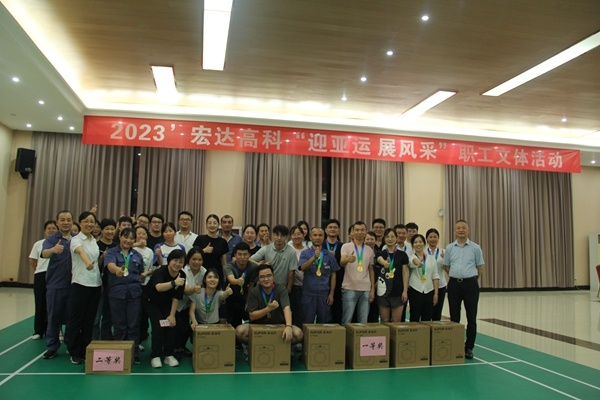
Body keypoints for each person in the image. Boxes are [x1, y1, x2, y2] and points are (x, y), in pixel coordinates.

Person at [443, 220, 485, 360]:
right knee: (454, 317)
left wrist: (471, 279)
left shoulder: (475, 248)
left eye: (463, 228)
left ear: (468, 230)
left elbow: (480, 267)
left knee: (471, 317)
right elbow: (446, 266)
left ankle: (469, 347)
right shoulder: (450, 248)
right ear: (455, 231)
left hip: (470, 285)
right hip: (454, 285)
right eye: (458, 228)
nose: (461, 230)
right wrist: (456, 276)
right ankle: (456, 345)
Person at [65, 212, 101, 365]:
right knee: (76, 320)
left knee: (89, 320)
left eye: (92, 221)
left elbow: (96, 260)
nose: (89, 224)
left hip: (95, 284)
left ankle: (86, 349)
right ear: (80, 223)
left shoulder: (94, 240)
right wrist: (87, 263)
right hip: (80, 283)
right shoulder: (76, 240)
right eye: (86, 221)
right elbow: (81, 252)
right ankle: (74, 351)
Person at [234, 265, 303, 345]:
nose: (266, 279)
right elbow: (252, 316)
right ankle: (257, 347)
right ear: (258, 279)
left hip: (279, 325)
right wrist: (268, 309)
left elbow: (286, 308)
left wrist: (288, 326)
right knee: (239, 331)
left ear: (273, 276)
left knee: (298, 333)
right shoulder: (254, 292)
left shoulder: (281, 289)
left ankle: (282, 347)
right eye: (262, 277)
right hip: (258, 326)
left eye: (269, 276)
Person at [104, 227, 144, 364]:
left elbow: (140, 272)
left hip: (134, 293)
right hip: (117, 293)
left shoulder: (137, 255)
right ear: (120, 237)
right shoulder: (111, 252)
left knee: (134, 325)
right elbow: (110, 265)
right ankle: (119, 355)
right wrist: (117, 270)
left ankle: (134, 354)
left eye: (132, 238)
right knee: (119, 325)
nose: (128, 240)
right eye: (126, 237)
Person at [143, 249, 187, 368]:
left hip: (167, 302)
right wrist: (174, 283)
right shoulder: (160, 271)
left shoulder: (182, 275)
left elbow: (177, 297)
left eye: (181, 262)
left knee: (172, 324)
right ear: (169, 260)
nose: (177, 264)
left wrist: (172, 315)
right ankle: (155, 355)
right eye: (175, 260)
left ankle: (168, 354)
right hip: (151, 301)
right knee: (159, 324)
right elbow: (158, 288)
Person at [41, 210, 74, 360]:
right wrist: (53, 250)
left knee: (72, 318)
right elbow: (44, 253)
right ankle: (52, 347)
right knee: (53, 317)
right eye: (63, 220)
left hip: (73, 285)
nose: (66, 222)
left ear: (72, 222)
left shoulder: (76, 239)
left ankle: (71, 345)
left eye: (68, 220)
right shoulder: (52, 239)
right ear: (57, 222)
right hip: (55, 284)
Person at [299, 227, 340, 324]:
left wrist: (331, 294)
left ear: (323, 237)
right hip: (308, 294)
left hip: (324, 295)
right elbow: (302, 267)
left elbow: (333, 275)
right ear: (310, 237)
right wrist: (313, 258)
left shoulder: (329, 255)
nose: (317, 237)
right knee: (307, 322)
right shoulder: (305, 253)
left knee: (323, 323)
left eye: (320, 235)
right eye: (315, 235)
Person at [173, 247, 207, 359]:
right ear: (189, 259)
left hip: (192, 303)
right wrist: (195, 289)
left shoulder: (204, 271)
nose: (197, 262)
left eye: (200, 259)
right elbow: (185, 290)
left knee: (186, 329)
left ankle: (181, 347)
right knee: (177, 327)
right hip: (177, 303)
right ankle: (173, 348)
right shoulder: (183, 270)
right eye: (194, 259)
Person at [340, 221, 375, 324]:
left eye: (362, 230)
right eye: (357, 230)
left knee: (363, 321)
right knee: (347, 319)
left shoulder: (369, 250)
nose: (359, 232)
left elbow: (371, 270)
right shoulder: (346, 246)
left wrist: (372, 289)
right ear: (353, 232)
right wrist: (347, 259)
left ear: (366, 232)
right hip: (349, 288)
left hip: (365, 289)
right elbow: (341, 262)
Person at [29, 220, 58, 340]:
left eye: (53, 228)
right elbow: (32, 260)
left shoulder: (60, 243)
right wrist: (39, 270)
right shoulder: (38, 244)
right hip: (41, 275)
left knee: (54, 304)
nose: (51, 230)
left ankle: (55, 331)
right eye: (49, 228)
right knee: (40, 303)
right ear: (45, 231)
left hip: (56, 275)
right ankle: (38, 331)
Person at [374, 228, 409, 323]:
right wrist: (384, 263)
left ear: (396, 238)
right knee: (384, 320)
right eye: (387, 237)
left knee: (396, 320)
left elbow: (405, 273)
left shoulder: (403, 255)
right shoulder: (380, 253)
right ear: (384, 239)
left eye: (392, 236)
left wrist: (405, 291)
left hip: (398, 291)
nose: (390, 239)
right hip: (383, 292)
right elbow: (379, 259)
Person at [93, 218, 118, 340]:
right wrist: (102, 258)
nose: (110, 231)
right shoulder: (95, 245)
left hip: (113, 286)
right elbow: (92, 267)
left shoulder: (117, 246)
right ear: (101, 230)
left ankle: (106, 339)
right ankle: (93, 341)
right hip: (98, 285)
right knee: (96, 316)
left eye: (112, 229)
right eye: (107, 229)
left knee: (109, 315)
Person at [251, 224, 297, 289]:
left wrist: (288, 289)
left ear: (286, 237)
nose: (279, 238)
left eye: (282, 235)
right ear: (273, 235)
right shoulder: (266, 248)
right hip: (264, 287)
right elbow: (250, 259)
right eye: (277, 235)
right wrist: (259, 264)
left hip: (281, 288)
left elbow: (292, 273)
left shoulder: (291, 252)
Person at [408, 234, 440, 322]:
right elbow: (412, 262)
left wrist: (436, 294)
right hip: (415, 290)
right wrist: (418, 263)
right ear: (412, 245)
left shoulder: (431, 258)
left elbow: (435, 276)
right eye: (415, 242)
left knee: (427, 317)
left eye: (420, 242)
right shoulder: (411, 257)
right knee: (414, 316)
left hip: (429, 290)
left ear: (424, 243)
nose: (418, 244)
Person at [225, 243, 257, 329]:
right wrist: (237, 281)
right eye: (239, 254)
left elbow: (252, 286)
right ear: (235, 255)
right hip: (232, 297)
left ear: (249, 255)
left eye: (245, 254)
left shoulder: (253, 267)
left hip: (246, 297)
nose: (242, 257)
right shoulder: (229, 266)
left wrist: (248, 302)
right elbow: (231, 279)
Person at [192, 214, 229, 287]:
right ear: (206, 225)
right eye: (209, 223)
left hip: (217, 274)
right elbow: (193, 256)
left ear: (218, 225)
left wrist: (225, 277)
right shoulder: (200, 238)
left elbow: (224, 262)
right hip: (201, 272)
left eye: (215, 223)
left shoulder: (223, 241)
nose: (212, 225)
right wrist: (204, 250)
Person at [135, 225, 155, 343]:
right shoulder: (132, 249)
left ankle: (142, 336)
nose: (141, 236)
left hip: (145, 284)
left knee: (143, 313)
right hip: (133, 284)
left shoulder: (149, 251)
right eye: (139, 233)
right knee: (135, 313)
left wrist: (148, 273)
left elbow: (151, 267)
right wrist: (137, 244)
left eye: (144, 234)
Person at [426, 228, 447, 321]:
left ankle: (436, 329)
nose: (433, 239)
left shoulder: (444, 252)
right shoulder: (423, 252)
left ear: (438, 238)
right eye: (430, 237)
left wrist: (445, 260)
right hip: (427, 286)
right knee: (427, 311)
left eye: (435, 237)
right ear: (426, 239)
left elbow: (448, 269)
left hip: (441, 285)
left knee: (437, 312)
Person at [288, 225, 307, 328]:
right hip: (288, 285)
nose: (296, 236)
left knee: (300, 313)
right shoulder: (287, 248)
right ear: (291, 236)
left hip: (302, 286)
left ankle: (298, 334)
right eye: (294, 234)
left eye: (299, 234)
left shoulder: (307, 251)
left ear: (303, 235)